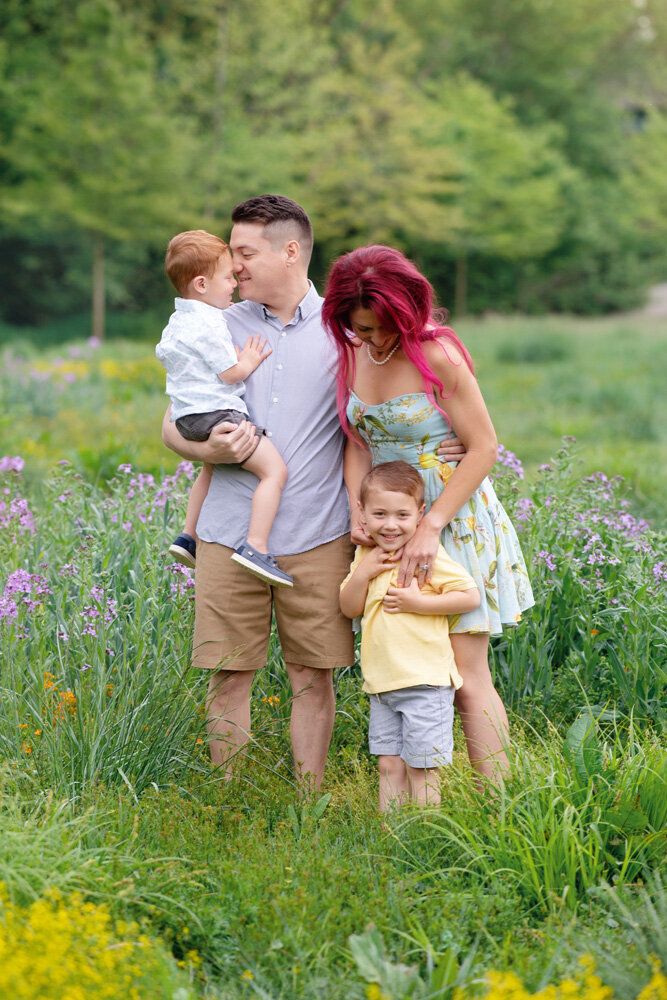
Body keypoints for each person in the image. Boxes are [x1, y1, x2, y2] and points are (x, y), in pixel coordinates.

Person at [160, 196, 356, 789]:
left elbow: (373, 422)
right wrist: (207, 451)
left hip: (319, 533)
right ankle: (232, 805)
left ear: (289, 251)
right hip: (225, 530)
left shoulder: (342, 330)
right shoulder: (215, 322)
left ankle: (310, 800)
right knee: (228, 674)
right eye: (232, 254)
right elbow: (172, 424)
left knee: (313, 675)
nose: (236, 266)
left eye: (245, 252)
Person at [323, 245, 535, 785]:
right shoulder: (355, 352)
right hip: (389, 520)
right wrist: (358, 511)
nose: (370, 339)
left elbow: (483, 447)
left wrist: (431, 526)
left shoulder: (436, 354)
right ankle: (418, 792)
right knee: (409, 663)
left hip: (450, 517)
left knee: (464, 674)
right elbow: (356, 440)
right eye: (359, 329)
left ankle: (501, 804)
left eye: (377, 327)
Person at [340, 461, 480, 810]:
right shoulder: (365, 554)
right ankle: (392, 832)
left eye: (402, 515)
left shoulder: (426, 555)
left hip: (425, 681)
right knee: (388, 764)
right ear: (362, 513)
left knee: (423, 766)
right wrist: (364, 572)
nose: (390, 525)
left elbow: (469, 596)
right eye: (380, 514)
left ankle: (425, 832)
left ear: (420, 514)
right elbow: (348, 607)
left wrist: (417, 603)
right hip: (382, 683)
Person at [156, 230, 292, 588]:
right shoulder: (210, 323)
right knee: (274, 472)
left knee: (210, 470)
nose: (234, 283)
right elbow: (229, 372)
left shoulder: (178, 320)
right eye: (227, 277)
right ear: (201, 283)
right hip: (220, 415)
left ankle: (188, 537)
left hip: (188, 417)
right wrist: (248, 359)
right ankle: (256, 545)